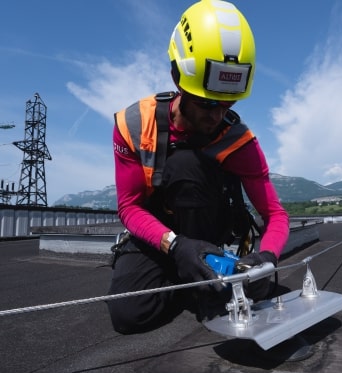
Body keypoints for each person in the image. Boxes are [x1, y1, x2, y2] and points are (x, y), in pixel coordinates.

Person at [107, 0, 289, 334]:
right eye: (207, 103)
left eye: (227, 104)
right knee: (129, 314)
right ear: (179, 80)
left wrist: (266, 259)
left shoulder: (240, 141)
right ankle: (190, 280)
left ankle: (204, 279)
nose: (217, 116)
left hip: (209, 233)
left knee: (188, 164)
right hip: (158, 234)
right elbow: (129, 207)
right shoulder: (135, 126)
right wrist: (176, 246)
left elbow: (276, 215)